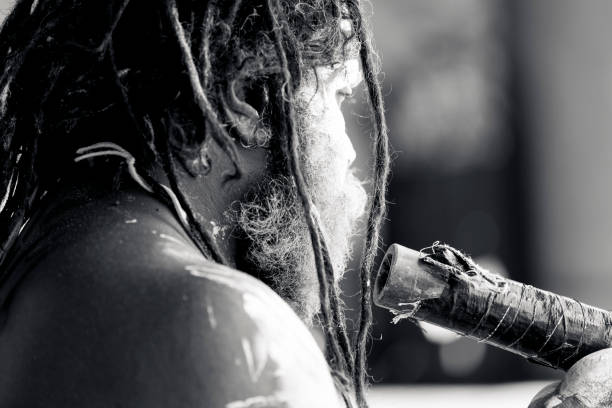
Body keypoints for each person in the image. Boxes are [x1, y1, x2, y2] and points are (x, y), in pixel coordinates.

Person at [0, 1, 608, 407]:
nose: (351, 152)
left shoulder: (41, 269)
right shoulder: (226, 324)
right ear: (245, 100)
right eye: (339, 98)